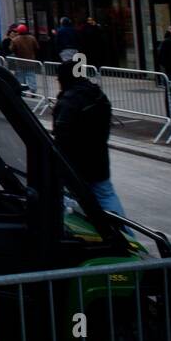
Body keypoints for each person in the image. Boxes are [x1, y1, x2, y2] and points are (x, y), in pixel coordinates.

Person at [53, 51, 126, 218]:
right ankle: (124, 234)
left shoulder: (68, 101)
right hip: (98, 156)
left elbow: (62, 135)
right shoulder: (97, 94)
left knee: (67, 197)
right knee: (105, 194)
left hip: (75, 161)